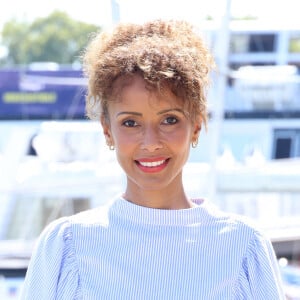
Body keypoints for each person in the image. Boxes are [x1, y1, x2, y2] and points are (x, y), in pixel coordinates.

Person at [20, 19, 285, 299]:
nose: (150, 143)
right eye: (131, 123)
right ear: (108, 131)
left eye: (169, 120)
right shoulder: (66, 246)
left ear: (195, 125)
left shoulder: (244, 246)